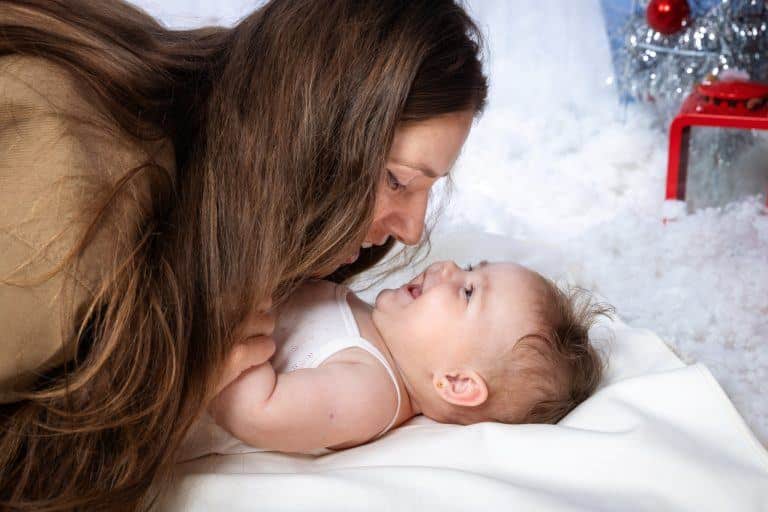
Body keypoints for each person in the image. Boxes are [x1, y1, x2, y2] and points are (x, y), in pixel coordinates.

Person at [0, 0, 487, 509]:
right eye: (397, 181)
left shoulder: (189, 116)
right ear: (310, 130)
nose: (412, 233)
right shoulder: (76, 220)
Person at [182, 260, 606, 458]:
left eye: (467, 290)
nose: (447, 267)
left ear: (456, 382)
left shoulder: (371, 391)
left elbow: (258, 413)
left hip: (173, 374)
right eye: (470, 267)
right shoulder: (376, 326)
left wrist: (234, 309)